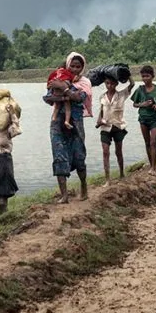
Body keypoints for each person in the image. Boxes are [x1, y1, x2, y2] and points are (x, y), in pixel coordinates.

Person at [48, 52, 91, 202]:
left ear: (82, 67)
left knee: (79, 156)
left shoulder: (85, 82)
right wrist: (62, 93)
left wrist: (64, 89)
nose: (74, 69)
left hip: (76, 124)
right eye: (72, 66)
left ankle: (84, 185)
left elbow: (80, 97)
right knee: (59, 156)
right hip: (57, 123)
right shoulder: (60, 77)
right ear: (67, 65)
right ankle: (64, 195)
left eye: (78, 66)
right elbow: (48, 98)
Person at [131, 65, 156, 174]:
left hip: (155, 119)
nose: (145, 79)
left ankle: (154, 167)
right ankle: (151, 165)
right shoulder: (139, 90)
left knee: (153, 141)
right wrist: (142, 104)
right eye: (143, 76)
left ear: (152, 76)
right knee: (147, 142)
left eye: (147, 76)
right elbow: (134, 104)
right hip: (143, 118)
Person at [96, 74, 131, 182]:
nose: (110, 85)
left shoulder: (121, 95)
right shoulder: (102, 97)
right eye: (107, 83)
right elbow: (101, 111)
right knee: (105, 152)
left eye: (112, 83)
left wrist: (127, 74)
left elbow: (132, 84)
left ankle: (121, 173)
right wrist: (99, 121)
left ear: (116, 84)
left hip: (118, 127)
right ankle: (107, 179)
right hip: (105, 128)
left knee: (118, 151)